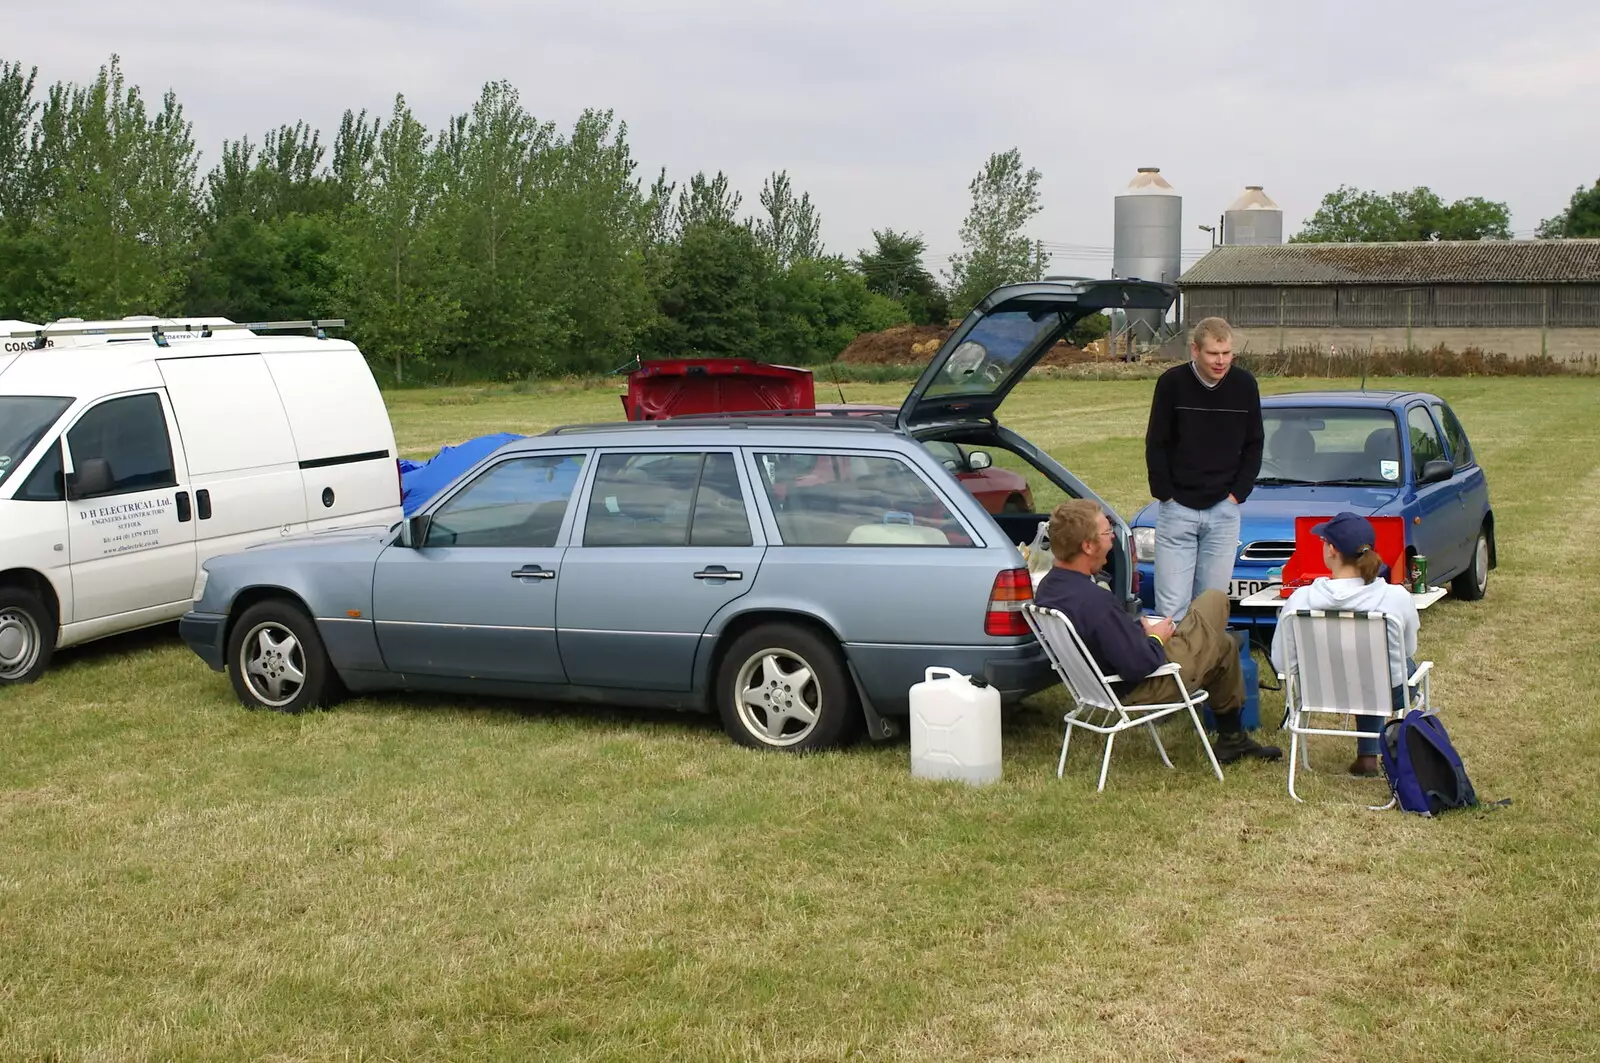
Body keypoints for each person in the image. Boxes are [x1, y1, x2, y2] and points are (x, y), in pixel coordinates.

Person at [1034, 499, 1281, 764]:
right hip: (1142, 684)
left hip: (1096, 685)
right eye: (1107, 534)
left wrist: (1137, 631)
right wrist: (1156, 637)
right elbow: (1138, 665)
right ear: (1087, 546)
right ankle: (1232, 733)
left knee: (1223, 645)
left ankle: (1233, 740)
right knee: (1214, 600)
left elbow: (1110, 639)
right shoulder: (1094, 600)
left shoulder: (1050, 587)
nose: (1111, 542)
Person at [1269, 511, 1420, 778]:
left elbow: (1282, 664)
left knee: (1363, 670)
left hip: (1319, 692)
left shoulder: (1300, 601)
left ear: (1331, 550)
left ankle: (1366, 756)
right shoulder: (1395, 597)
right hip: (1386, 692)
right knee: (1383, 669)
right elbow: (1408, 650)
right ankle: (1372, 755)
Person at [1145, 317, 1264, 620]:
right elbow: (1156, 442)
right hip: (1177, 510)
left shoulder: (1245, 386)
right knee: (1172, 608)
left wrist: (1238, 494)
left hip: (1224, 510)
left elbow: (1255, 443)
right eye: (1213, 354)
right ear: (1195, 351)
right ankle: (1175, 666)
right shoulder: (1172, 384)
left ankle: (1207, 667)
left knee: (1211, 608)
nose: (1221, 361)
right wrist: (1165, 494)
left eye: (1226, 354)